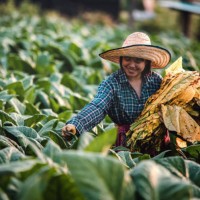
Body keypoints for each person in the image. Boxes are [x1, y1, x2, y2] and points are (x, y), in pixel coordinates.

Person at [62, 32, 171, 147]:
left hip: (157, 143)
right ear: (121, 59)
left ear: (146, 62)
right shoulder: (111, 83)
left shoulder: (157, 81)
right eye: (127, 59)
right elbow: (98, 107)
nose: (132, 65)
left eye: (138, 60)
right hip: (127, 145)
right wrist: (76, 125)